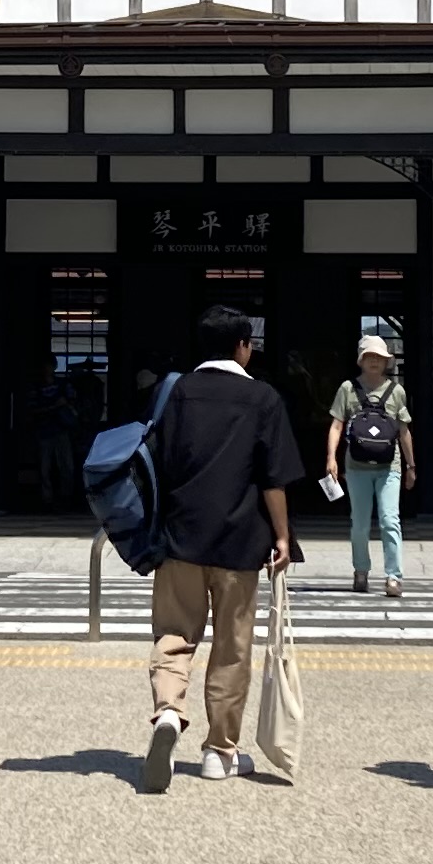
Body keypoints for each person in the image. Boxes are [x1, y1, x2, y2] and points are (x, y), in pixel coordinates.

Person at [137, 302, 304, 792]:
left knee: (173, 635)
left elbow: (158, 462)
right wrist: (282, 535)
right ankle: (219, 752)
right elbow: (273, 479)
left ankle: (169, 713)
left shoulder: (177, 393)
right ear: (242, 346)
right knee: (232, 649)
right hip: (238, 542)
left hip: (180, 539)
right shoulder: (263, 398)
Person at [320, 333, 416, 597]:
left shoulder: (397, 391)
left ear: (386, 361)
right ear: (361, 360)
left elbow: (404, 431)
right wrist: (331, 457)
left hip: (389, 465)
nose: (374, 361)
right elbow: (337, 424)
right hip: (357, 466)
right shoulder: (348, 389)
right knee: (360, 523)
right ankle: (361, 570)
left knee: (389, 520)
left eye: (379, 357)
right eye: (369, 356)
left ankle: (393, 576)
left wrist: (411, 465)